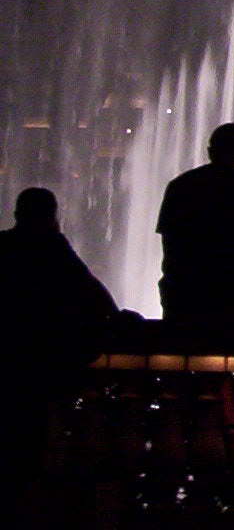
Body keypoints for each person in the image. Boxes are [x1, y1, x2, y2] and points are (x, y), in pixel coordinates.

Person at [0, 188, 120, 519]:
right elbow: (97, 297)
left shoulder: (5, 246)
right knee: (33, 446)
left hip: (9, 364)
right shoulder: (53, 249)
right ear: (53, 217)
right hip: (37, 369)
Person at [155, 121, 234, 339]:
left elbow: (170, 246)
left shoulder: (179, 186)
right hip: (229, 293)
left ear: (210, 151)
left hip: (179, 293)